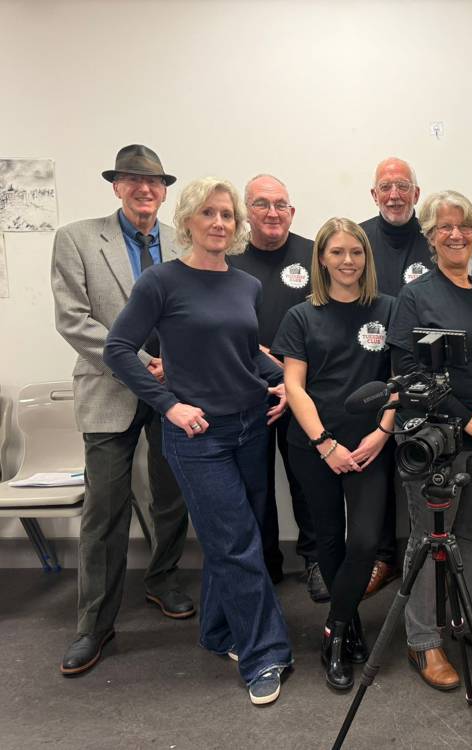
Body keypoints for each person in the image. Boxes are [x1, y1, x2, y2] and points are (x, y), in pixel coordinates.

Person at [103, 177, 293, 706]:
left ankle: (217, 632)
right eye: (208, 213)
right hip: (197, 435)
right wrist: (168, 404)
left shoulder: (244, 284)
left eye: (227, 215)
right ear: (188, 220)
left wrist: (280, 381)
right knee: (236, 543)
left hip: (252, 425)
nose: (218, 223)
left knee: (238, 535)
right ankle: (265, 655)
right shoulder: (160, 282)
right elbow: (118, 350)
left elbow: (242, 351)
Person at [51, 144, 193, 677]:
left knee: (170, 495)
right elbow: (74, 319)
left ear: (164, 189)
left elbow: (193, 315)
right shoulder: (78, 239)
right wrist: (138, 362)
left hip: (174, 393)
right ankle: (94, 623)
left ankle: (162, 579)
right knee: (104, 511)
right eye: (132, 179)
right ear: (116, 185)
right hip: (111, 390)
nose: (144, 189)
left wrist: (175, 367)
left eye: (153, 181)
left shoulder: (183, 242)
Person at [387, 190, 472, 691]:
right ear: (429, 237)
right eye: (443, 226)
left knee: (470, 536)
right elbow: (407, 369)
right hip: (438, 437)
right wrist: (466, 419)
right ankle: (423, 641)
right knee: (427, 539)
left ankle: (465, 621)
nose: (456, 233)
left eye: (464, 225)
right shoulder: (416, 296)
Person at [272, 218, 395, 692]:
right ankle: (346, 629)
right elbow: (294, 386)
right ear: (321, 258)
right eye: (337, 252)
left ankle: (334, 629)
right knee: (329, 542)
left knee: (365, 541)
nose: (348, 261)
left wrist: (382, 434)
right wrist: (325, 444)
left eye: (356, 252)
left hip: (370, 446)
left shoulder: (389, 309)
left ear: (367, 258)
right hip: (314, 446)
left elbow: (397, 382)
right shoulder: (301, 317)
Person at [228, 174, 324, 600]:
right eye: (262, 204)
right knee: (255, 485)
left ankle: (317, 560)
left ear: (292, 211)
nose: (272, 213)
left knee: (309, 482)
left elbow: (330, 315)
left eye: (281, 205)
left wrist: (289, 366)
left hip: (304, 389)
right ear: (247, 212)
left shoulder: (314, 254)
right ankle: (264, 563)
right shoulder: (228, 259)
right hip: (247, 391)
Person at [360, 157, 433, 597]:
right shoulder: (359, 238)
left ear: (416, 194)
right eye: (385, 187)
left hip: (421, 370)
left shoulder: (435, 236)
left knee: (422, 462)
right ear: (374, 195)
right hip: (368, 369)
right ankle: (384, 556)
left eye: (402, 186)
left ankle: (427, 555)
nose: (394, 195)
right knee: (376, 469)